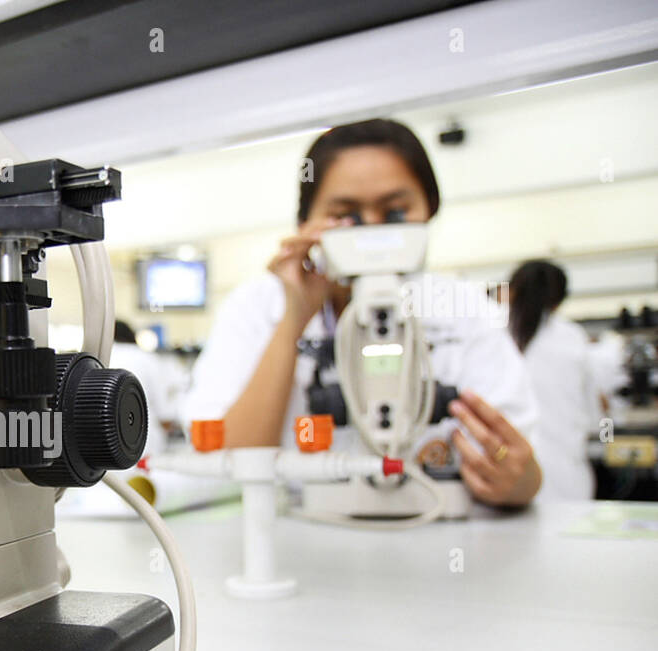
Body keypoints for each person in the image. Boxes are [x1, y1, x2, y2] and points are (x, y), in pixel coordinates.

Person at [182, 118, 542, 507]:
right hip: (300, 535)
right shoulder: (256, 307)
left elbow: (522, 469)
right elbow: (229, 464)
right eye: (346, 216)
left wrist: (517, 480)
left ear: (429, 212)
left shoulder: (465, 309)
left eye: (396, 213)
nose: (371, 230)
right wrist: (292, 321)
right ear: (306, 224)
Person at [508, 260, 601, 500]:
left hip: (506, 483)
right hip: (568, 482)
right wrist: (608, 443)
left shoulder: (492, 335)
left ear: (512, 291)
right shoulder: (573, 338)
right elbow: (598, 416)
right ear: (559, 300)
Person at [109, 320, 183, 455]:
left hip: (102, 451)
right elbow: (165, 413)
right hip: (143, 448)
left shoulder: (94, 358)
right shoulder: (146, 358)